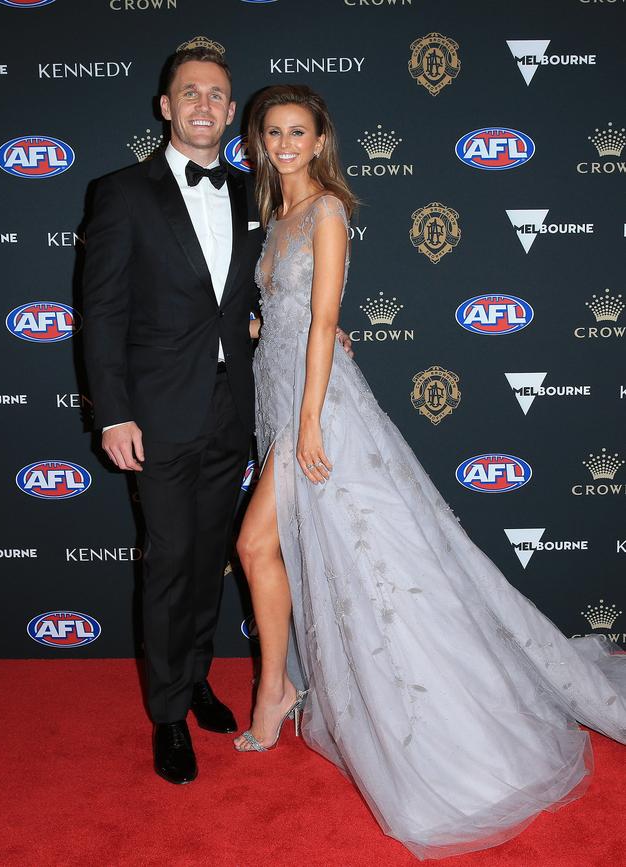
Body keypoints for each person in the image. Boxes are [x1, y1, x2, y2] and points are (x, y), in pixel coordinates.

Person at [233, 84, 626, 860]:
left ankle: (285, 693)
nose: (284, 143)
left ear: (319, 141)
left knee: (279, 549)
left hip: (319, 411)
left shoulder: (328, 212)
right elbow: (281, 316)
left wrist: (309, 418)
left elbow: (321, 321)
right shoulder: (276, 220)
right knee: (292, 552)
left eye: (297, 132)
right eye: (272, 132)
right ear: (260, 142)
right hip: (283, 395)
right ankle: (276, 687)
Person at [83, 45, 350, 786]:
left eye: (218, 95)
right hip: (158, 415)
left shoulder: (252, 193)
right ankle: (168, 713)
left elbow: (256, 302)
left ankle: (196, 676)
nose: (204, 104)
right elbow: (100, 314)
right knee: (169, 559)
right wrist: (114, 413)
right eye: (190, 92)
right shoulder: (120, 193)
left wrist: (305, 329)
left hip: (237, 412)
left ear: (232, 114)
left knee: (210, 556)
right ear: (166, 107)